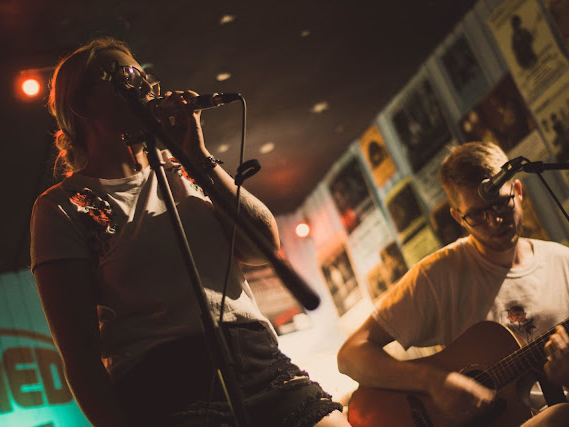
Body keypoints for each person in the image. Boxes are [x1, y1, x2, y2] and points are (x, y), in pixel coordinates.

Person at [30, 37, 350, 427]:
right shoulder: (62, 206)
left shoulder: (186, 169)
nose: (143, 87)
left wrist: (199, 157)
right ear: (81, 105)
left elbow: (261, 247)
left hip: (256, 357)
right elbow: (80, 355)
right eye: (123, 76)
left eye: (144, 77)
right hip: (166, 386)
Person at [337, 141, 569, 426]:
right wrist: (433, 381)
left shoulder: (563, 261)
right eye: (476, 214)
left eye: (501, 203)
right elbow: (350, 355)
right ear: (458, 217)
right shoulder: (437, 276)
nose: (495, 220)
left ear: (518, 190)